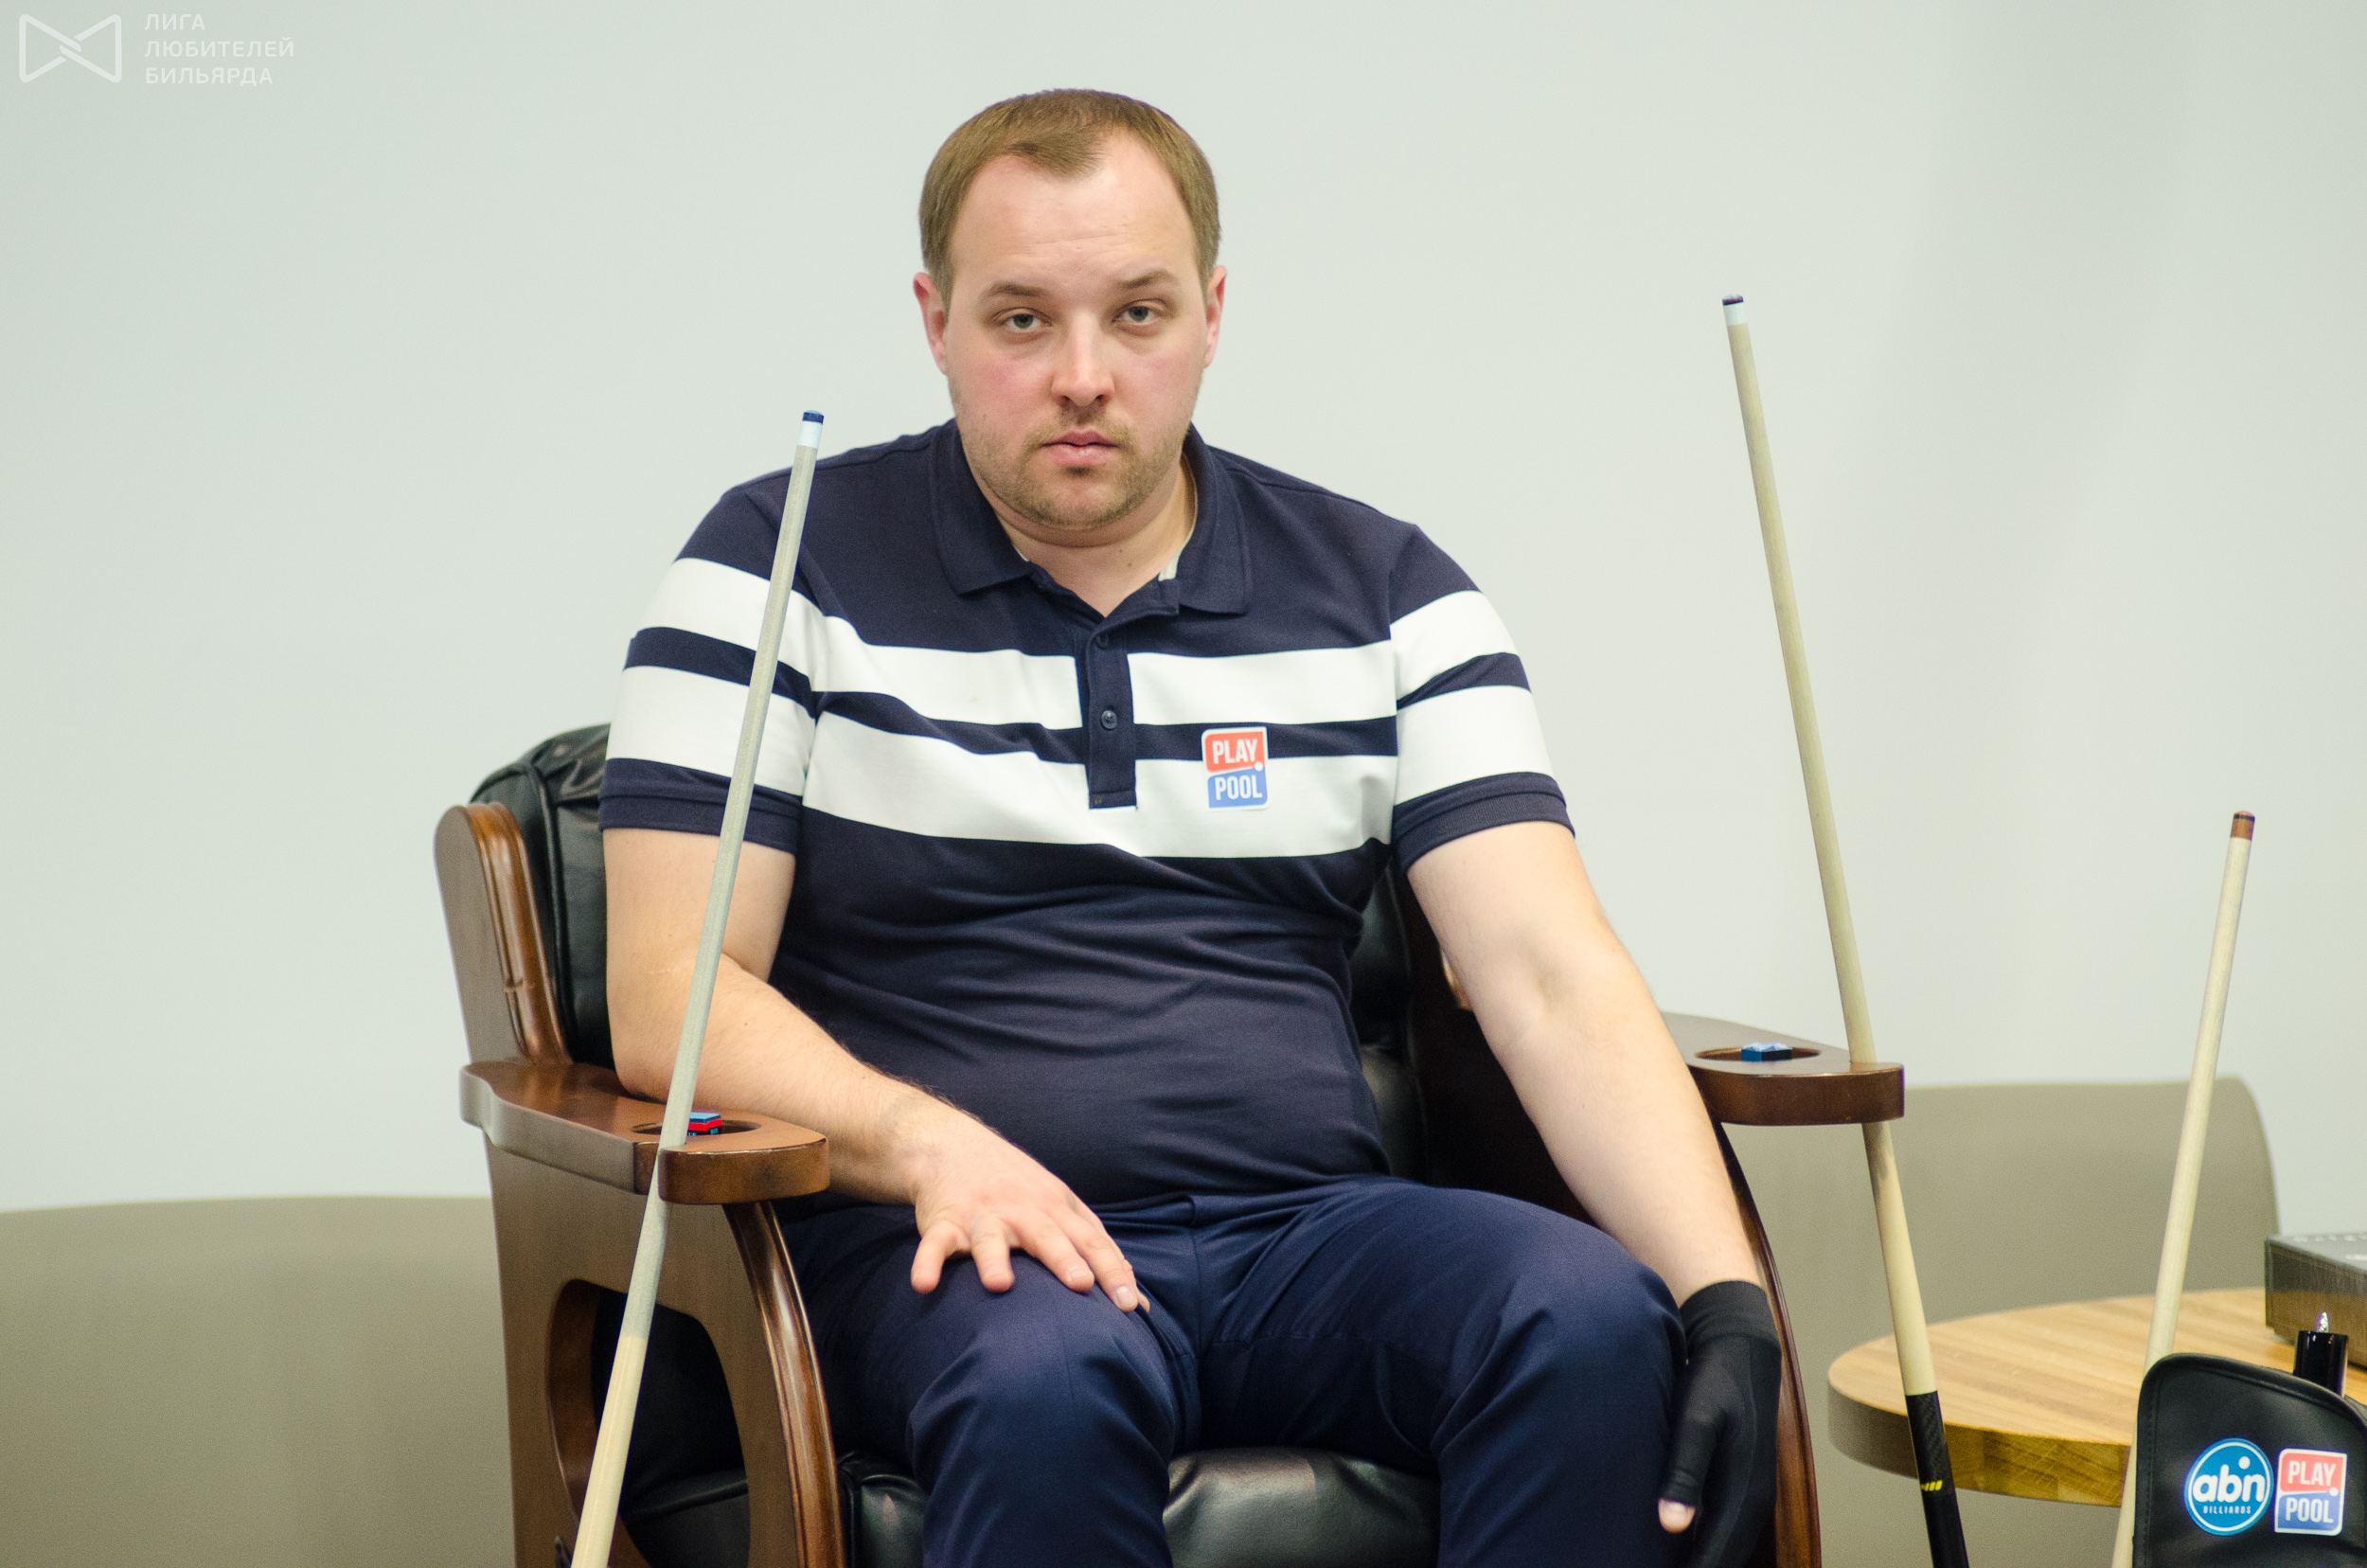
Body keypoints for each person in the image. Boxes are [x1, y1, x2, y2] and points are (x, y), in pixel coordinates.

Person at [600, 89, 1779, 1567]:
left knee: (1587, 1315)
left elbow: (1547, 976)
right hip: (948, 1243)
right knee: (1046, 1374)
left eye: (1138, 314)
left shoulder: (1389, 594)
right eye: (1021, 320)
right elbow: (671, 993)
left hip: (1309, 1237)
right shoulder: (770, 573)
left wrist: (1725, 1299)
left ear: (1213, 314)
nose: (1083, 377)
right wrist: (927, 1145)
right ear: (936, 321)